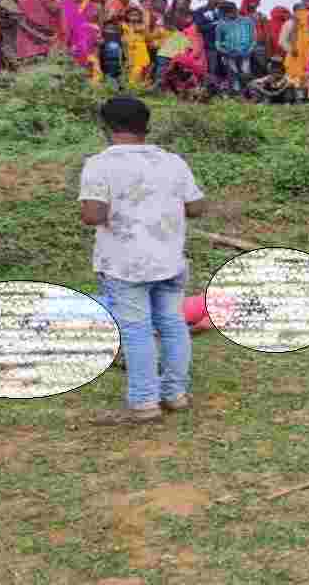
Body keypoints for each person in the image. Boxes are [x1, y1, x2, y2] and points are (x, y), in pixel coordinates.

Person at [81, 96, 206, 426]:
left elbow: (93, 215)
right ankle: (175, 395)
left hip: (125, 264)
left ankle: (144, 403)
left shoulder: (100, 164)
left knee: (137, 331)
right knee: (173, 324)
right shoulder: (172, 162)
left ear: (106, 128)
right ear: (146, 127)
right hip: (169, 260)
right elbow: (196, 207)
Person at [12, 0, 60, 64]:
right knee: (30, 64)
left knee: (46, 64)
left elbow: (56, 11)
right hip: (28, 35)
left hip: (46, 36)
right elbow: (20, 16)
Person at [215, 1, 257, 94]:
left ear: (235, 9)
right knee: (233, 75)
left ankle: (248, 93)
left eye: (232, 11)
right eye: (226, 13)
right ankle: (235, 93)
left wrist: (249, 51)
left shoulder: (248, 21)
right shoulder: (220, 25)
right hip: (229, 54)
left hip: (245, 54)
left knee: (245, 73)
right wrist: (225, 52)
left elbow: (254, 39)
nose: (230, 14)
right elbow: (217, 43)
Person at [193, 0, 224, 78]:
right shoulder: (200, 11)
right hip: (210, 45)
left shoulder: (225, 10)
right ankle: (210, 88)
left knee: (226, 68)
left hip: (226, 45)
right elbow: (199, 28)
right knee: (212, 68)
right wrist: (216, 23)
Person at [121, 6, 152, 86]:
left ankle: (135, 84)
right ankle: (130, 84)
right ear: (127, 15)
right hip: (128, 49)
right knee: (129, 67)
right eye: (131, 14)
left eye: (136, 15)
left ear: (140, 16)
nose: (134, 16)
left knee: (140, 67)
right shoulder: (123, 25)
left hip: (141, 50)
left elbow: (147, 37)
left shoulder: (143, 26)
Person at [239, 0, 267, 75]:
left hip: (259, 44)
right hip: (244, 44)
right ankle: (246, 82)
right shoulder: (240, 14)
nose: (253, 5)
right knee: (245, 65)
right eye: (251, 2)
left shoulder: (261, 15)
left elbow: (265, 31)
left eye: (255, 3)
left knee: (260, 64)